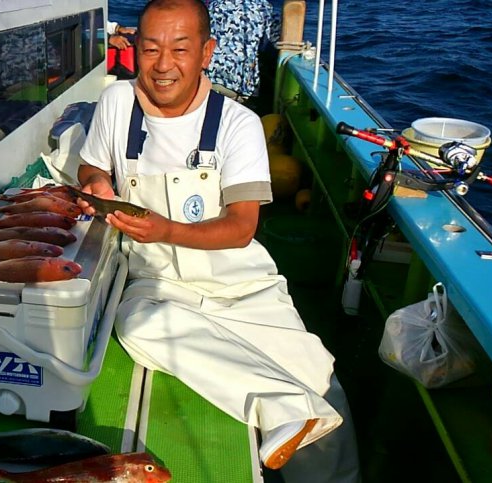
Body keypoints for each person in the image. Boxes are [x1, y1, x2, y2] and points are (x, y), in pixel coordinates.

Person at [77, 0, 359, 479]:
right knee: (139, 327)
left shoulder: (238, 123)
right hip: (159, 284)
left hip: (242, 285)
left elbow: (242, 226)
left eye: (180, 49)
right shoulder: (116, 102)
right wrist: (98, 183)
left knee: (323, 384)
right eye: (150, 48)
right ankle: (282, 408)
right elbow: (91, 165)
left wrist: (167, 230)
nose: (163, 64)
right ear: (134, 49)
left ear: (206, 52)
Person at [206, 0, 280, 101]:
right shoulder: (264, 8)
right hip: (239, 85)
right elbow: (276, 42)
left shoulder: (214, 5)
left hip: (209, 77)